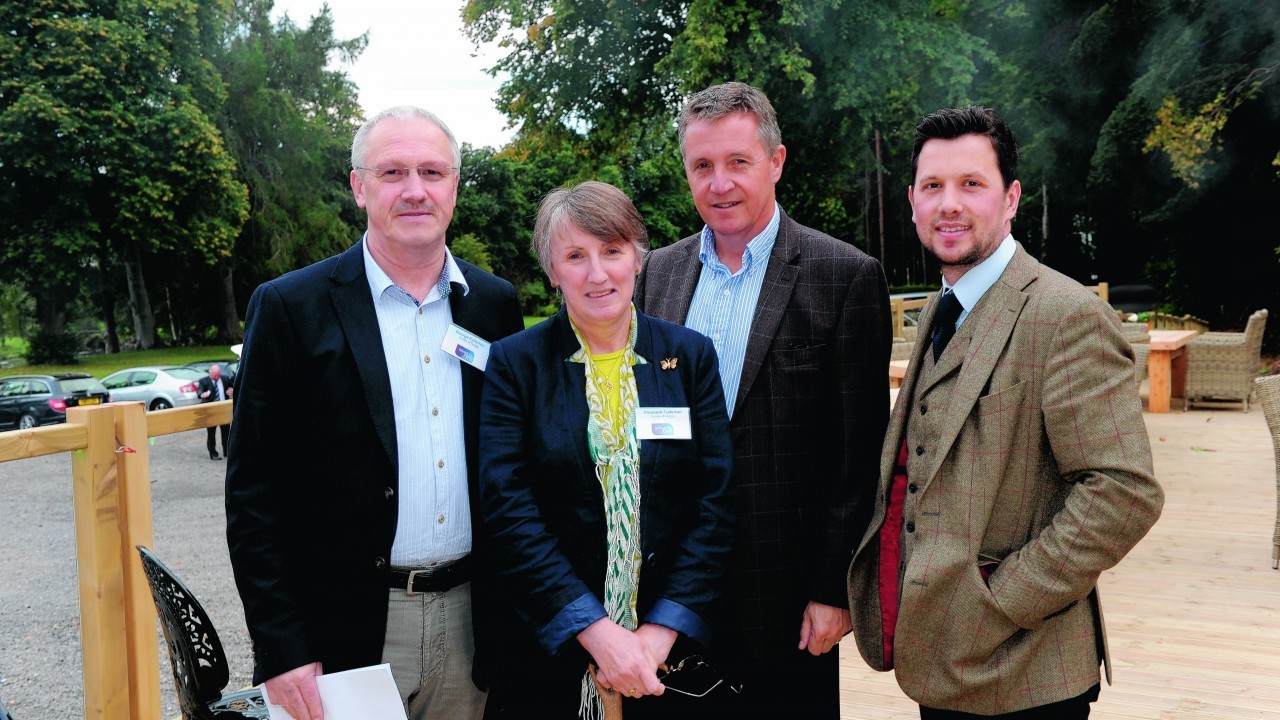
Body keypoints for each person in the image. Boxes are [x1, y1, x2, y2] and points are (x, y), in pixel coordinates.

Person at [846, 106, 1165, 717]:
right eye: (933, 187)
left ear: (1011, 197)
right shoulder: (942, 309)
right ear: (912, 201)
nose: (949, 204)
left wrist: (1000, 599)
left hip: (1026, 671)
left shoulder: (1064, 315)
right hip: (943, 665)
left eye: (972, 184)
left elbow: (1124, 491)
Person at [225, 106, 524, 720]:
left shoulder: (493, 306)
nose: (415, 190)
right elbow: (253, 492)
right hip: (346, 633)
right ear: (360, 187)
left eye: (432, 172)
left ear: (454, 187)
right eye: (393, 172)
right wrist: (281, 645)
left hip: (475, 626)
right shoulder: (290, 308)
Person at [634, 81, 891, 718]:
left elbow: (857, 454)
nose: (719, 183)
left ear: (775, 162)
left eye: (738, 162)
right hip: (671, 599)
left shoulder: (844, 276)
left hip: (787, 601)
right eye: (702, 166)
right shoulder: (656, 275)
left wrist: (833, 588)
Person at [479, 181, 735, 718]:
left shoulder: (689, 358)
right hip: (553, 651)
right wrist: (596, 634)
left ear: (638, 257)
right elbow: (509, 511)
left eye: (612, 251)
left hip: (666, 659)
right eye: (575, 256)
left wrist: (659, 632)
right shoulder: (515, 365)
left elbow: (715, 503)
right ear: (552, 270)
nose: (598, 274)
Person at [196, 363, 231, 460]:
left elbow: (233, 386)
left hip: (223, 410)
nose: (217, 377)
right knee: (211, 433)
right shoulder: (204, 381)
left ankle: (227, 451)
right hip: (211, 412)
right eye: (215, 376)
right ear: (210, 372)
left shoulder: (224, 379)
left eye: (218, 375)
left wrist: (231, 391)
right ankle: (213, 453)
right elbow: (200, 391)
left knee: (226, 432)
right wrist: (202, 395)